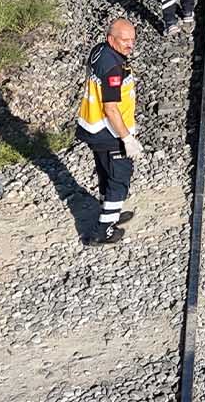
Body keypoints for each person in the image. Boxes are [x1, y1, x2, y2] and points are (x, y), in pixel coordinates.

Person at [78, 18, 143, 246]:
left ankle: (110, 214)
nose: (130, 45)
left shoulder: (99, 51)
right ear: (111, 39)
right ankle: (102, 231)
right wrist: (127, 138)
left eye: (132, 39)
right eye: (124, 40)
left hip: (93, 127)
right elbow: (111, 108)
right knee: (119, 178)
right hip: (109, 132)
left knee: (106, 174)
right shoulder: (114, 67)